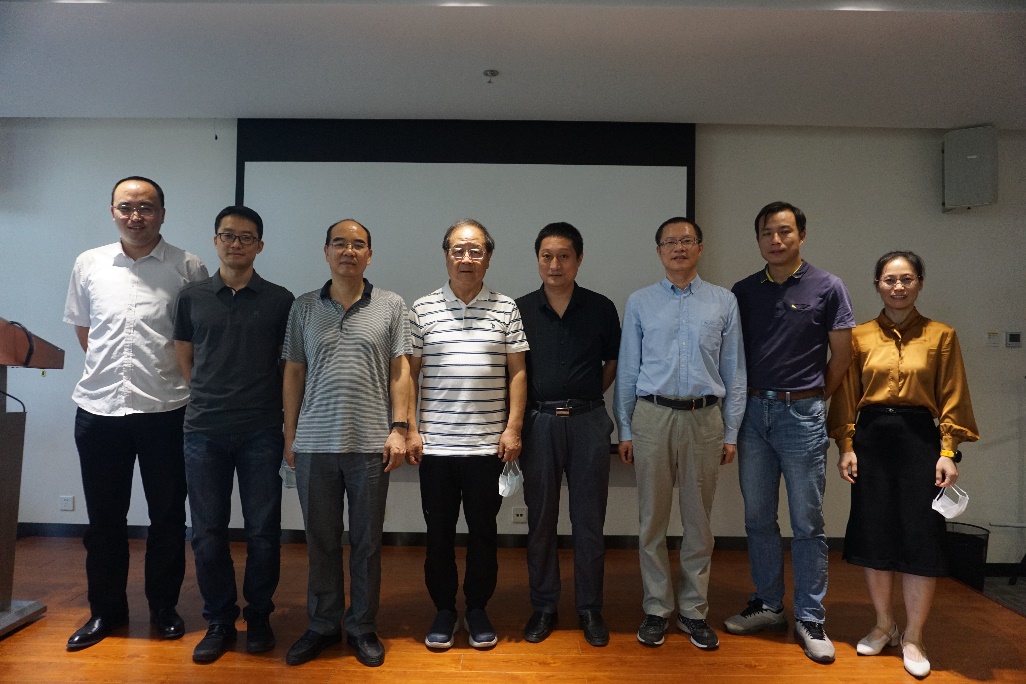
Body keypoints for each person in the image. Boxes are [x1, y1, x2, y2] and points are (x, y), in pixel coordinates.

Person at [63, 176, 208, 650]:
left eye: (146, 207)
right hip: (100, 409)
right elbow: (86, 332)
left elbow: (197, 337)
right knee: (104, 520)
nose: (135, 216)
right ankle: (106, 612)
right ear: (112, 211)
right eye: (126, 207)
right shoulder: (89, 263)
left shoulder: (188, 267)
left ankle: (164, 608)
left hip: (167, 409)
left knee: (167, 517)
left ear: (162, 213)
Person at [827, 251, 978, 678]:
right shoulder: (859, 336)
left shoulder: (941, 336)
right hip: (871, 440)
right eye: (890, 279)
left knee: (920, 537)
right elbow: (846, 395)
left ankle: (913, 635)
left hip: (919, 442)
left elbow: (953, 395)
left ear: (920, 283)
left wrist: (948, 451)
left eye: (907, 279)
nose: (898, 287)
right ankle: (883, 625)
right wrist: (846, 445)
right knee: (875, 535)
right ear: (877, 284)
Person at [726, 201, 854, 664]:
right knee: (758, 517)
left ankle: (810, 616)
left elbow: (842, 356)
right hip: (752, 414)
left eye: (784, 231)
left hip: (802, 414)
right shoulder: (743, 291)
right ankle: (767, 604)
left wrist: (814, 398)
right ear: (758, 239)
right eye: (767, 233)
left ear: (801, 234)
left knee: (807, 522)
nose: (775, 240)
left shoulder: (828, 287)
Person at [281, 219, 411, 668]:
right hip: (314, 443)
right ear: (326, 252)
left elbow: (401, 370)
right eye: (340, 243)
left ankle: (362, 626)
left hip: (371, 444)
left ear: (369, 255)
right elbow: (294, 370)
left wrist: (399, 428)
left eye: (358, 245)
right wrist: (290, 434)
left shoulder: (391, 305)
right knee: (320, 540)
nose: (348, 251)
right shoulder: (303, 307)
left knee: (367, 542)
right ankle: (322, 625)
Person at [615, 217, 746, 650]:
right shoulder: (640, 302)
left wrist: (731, 431)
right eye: (670, 242)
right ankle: (656, 608)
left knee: (698, 522)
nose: (678, 248)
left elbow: (735, 371)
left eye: (687, 240)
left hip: (705, 419)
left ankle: (693, 611)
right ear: (659, 251)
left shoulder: (723, 301)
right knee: (651, 520)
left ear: (700, 248)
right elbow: (628, 369)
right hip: (652, 416)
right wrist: (625, 428)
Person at [173, 205, 295, 663]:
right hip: (203, 430)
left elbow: (288, 365)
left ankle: (259, 615)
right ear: (215, 241)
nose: (236, 243)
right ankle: (220, 620)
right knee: (207, 532)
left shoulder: (280, 300)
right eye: (228, 235)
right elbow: (184, 353)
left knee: (264, 532)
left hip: (261, 429)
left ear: (259, 245)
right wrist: (208, 392)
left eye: (246, 237)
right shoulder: (191, 296)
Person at [407, 219, 529, 651]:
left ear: (488, 258)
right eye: (458, 250)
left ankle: (477, 608)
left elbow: (517, 373)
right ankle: (444, 609)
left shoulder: (506, 308)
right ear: (446, 255)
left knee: (483, 534)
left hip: (487, 448)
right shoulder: (422, 309)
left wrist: (513, 428)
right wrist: (410, 428)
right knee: (438, 535)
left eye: (475, 251)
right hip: (436, 448)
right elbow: (408, 374)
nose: (466, 258)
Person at [515, 222, 621, 647]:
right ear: (537, 260)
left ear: (578, 260)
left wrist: (588, 395)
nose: (555, 264)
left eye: (564, 256)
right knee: (540, 519)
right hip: (538, 423)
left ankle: (590, 607)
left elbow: (612, 363)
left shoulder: (600, 307)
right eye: (547, 256)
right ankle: (544, 605)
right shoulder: (519, 309)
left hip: (587, 421)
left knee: (589, 520)